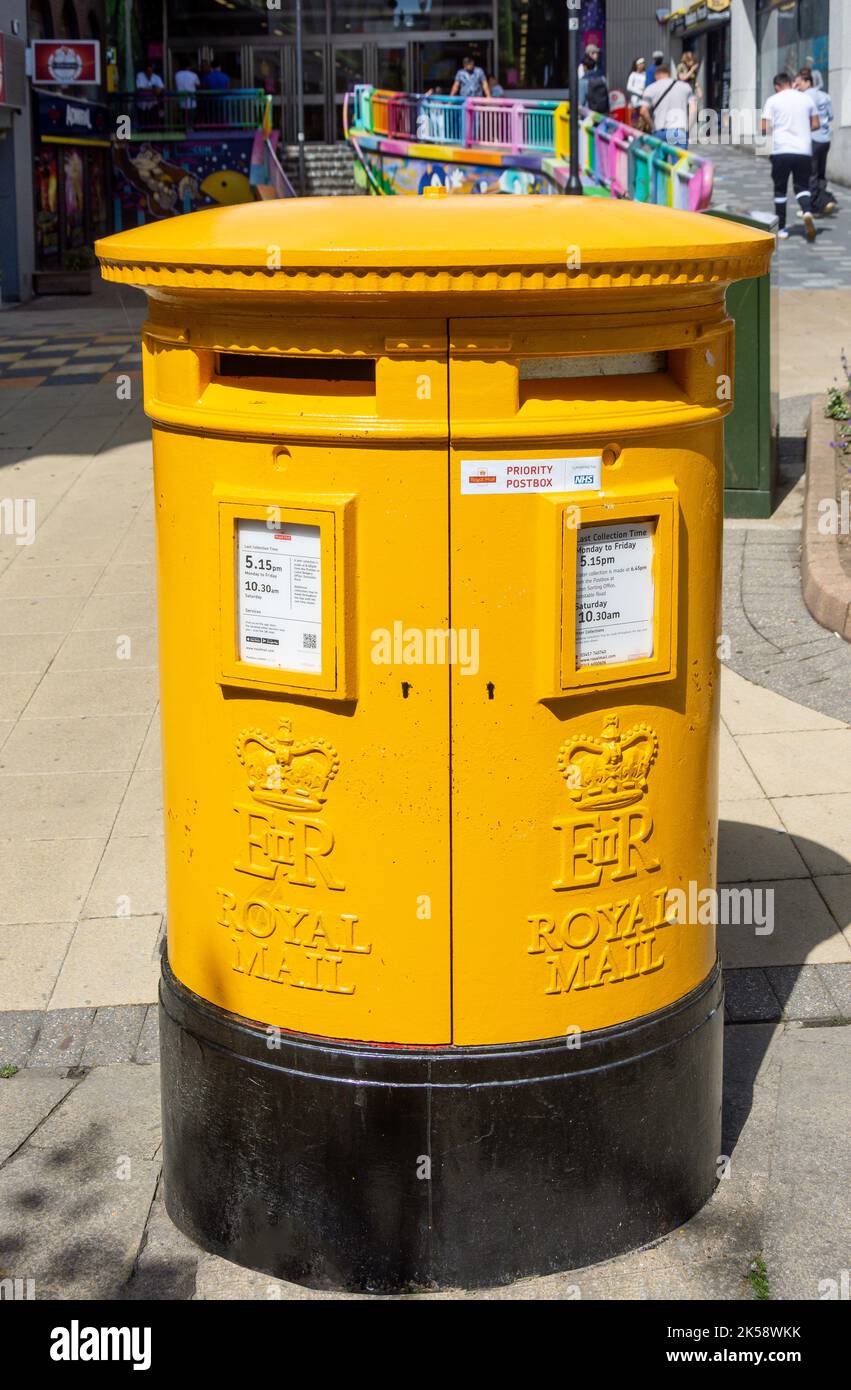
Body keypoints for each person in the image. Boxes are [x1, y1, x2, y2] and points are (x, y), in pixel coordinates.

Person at [761, 71, 820, 241]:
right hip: (803, 151)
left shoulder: (773, 100)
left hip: (781, 150)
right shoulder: (806, 98)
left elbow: (764, 128)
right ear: (790, 82)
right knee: (802, 186)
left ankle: (782, 229)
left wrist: (777, 129)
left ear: (777, 86)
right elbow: (816, 124)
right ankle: (807, 211)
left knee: (780, 190)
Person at [796, 66, 837, 215]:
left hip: (812, 139)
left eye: (799, 83)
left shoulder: (804, 97)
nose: (798, 86)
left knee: (810, 174)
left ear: (807, 82)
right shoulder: (825, 95)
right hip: (825, 139)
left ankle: (813, 206)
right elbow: (831, 116)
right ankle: (823, 201)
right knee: (820, 173)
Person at [639, 62, 692, 148]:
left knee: (659, 161)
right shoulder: (685, 87)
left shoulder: (650, 89)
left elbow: (643, 111)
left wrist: (653, 126)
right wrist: (689, 127)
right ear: (669, 74)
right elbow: (693, 108)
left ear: (656, 75)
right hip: (679, 130)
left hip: (660, 130)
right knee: (679, 161)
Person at [174, 58, 200, 128]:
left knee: (183, 120)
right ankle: (190, 133)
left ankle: (184, 133)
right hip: (192, 101)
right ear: (189, 66)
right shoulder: (194, 75)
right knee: (191, 120)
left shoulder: (177, 75)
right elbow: (198, 85)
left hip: (181, 100)